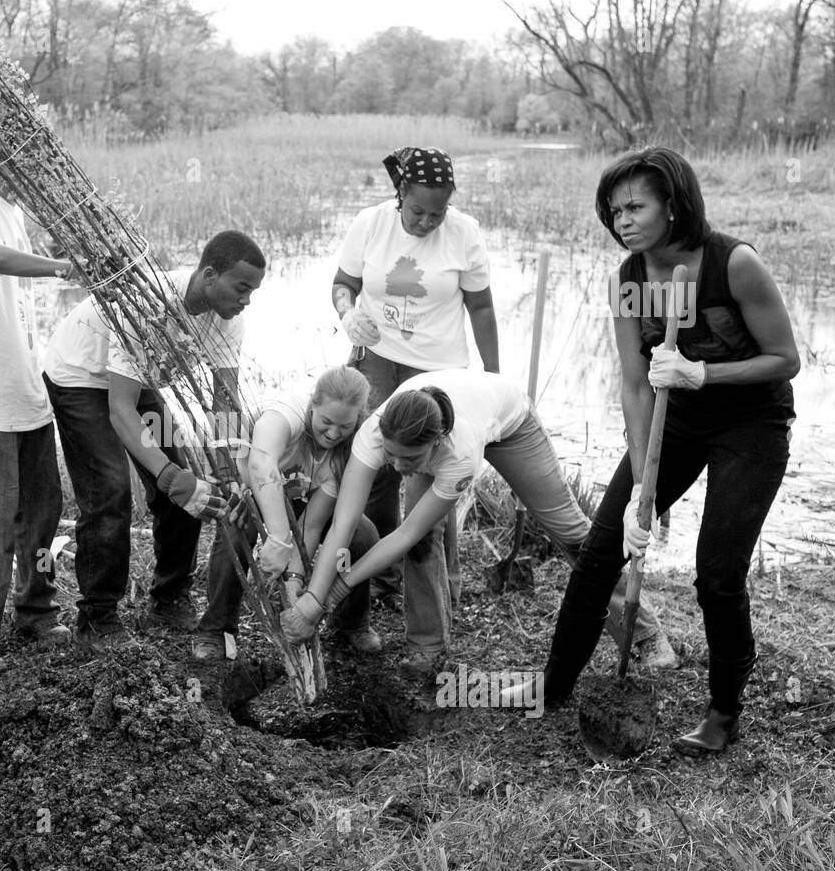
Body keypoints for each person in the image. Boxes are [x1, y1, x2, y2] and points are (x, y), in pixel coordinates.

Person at [517, 146, 800, 755]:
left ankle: (724, 712)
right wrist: (642, 486)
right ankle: (554, 688)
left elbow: (786, 360)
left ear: (673, 206)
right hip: (676, 422)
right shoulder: (631, 277)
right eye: (613, 210)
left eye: (635, 206)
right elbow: (632, 380)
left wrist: (702, 373)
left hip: (752, 421)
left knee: (718, 573)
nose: (622, 220)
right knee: (601, 551)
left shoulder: (734, 264)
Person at [280, 369, 667, 668]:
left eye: (409, 461)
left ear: (435, 444)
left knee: (572, 533)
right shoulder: (373, 436)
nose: (398, 468)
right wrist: (313, 595)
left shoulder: (458, 452)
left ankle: (646, 635)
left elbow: (402, 533)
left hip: (509, 421)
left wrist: (331, 593)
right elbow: (344, 526)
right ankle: (427, 646)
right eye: (392, 456)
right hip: (442, 415)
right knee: (424, 541)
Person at [42, 231, 265, 649]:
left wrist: (229, 466)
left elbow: (223, 403)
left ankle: (169, 597)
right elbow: (120, 410)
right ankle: (98, 618)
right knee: (109, 488)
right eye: (242, 287)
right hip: (79, 378)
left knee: (187, 479)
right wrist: (167, 475)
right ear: (210, 274)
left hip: (135, 382)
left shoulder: (227, 319)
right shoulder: (147, 307)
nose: (247, 299)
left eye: (253, 290)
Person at [330, 146, 496, 662]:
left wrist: (492, 378)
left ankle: (439, 584)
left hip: (437, 369)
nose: (427, 220)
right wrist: (346, 313)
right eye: (418, 210)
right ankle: (380, 575)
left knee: (427, 478)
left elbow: (483, 307)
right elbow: (344, 284)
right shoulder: (371, 224)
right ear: (399, 193)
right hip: (377, 358)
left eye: (437, 212)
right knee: (376, 467)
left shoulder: (464, 233)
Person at [0, 160, 76, 673]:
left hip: (27, 393)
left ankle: (36, 610)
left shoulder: (14, 211)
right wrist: (60, 267)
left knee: (43, 514)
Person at [192, 365, 381, 660]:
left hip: (300, 499)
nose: (333, 433)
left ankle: (350, 622)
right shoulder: (286, 413)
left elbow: (311, 525)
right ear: (312, 404)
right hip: (255, 488)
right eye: (327, 422)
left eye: (345, 426)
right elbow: (261, 463)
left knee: (362, 535)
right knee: (237, 527)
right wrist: (279, 539)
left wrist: (293, 578)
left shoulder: (348, 452)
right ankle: (216, 629)